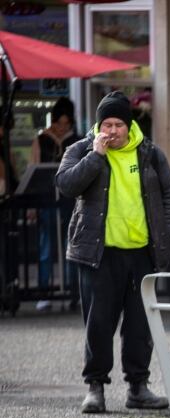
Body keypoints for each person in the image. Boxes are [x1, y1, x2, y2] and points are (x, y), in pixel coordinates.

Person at [55, 91, 170, 414]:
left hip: (141, 253)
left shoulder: (150, 153)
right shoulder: (81, 150)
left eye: (118, 124)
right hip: (99, 253)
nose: (111, 131)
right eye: (106, 124)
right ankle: (95, 387)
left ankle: (138, 387)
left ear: (129, 125)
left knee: (139, 324)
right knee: (98, 323)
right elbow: (65, 184)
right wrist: (95, 157)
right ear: (98, 126)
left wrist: (167, 233)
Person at [29, 97, 82, 311]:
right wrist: (33, 206)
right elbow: (32, 170)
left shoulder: (77, 140)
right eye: (59, 124)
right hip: (46, 200)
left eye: (66, 124)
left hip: (70, 201)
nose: (62, 129)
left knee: (71, 247)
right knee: (46, 247)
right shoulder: (41, 139)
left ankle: (72, 292)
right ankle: (44, 292)